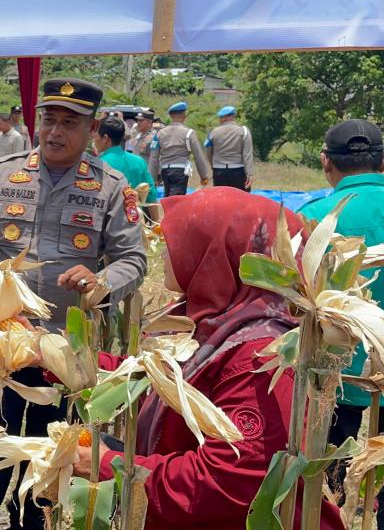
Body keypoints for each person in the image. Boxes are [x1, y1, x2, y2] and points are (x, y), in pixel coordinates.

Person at [66, 188, 343, 530]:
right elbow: (145, 378)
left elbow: (227, 479)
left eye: (180, 240)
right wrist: (53, 355)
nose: (165, 251)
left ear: (216, 255)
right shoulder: (207, 320)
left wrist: (111, 464)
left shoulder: (262, 355)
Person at [0, 78, 147, 528]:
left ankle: (34, 521)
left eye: (70, 123)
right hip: (2, 342)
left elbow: (133, 260)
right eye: (49, 120)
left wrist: (99, 280)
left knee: (51, 451)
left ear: (92, 128)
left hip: (66, 350)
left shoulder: (109, 187)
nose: (56, 132)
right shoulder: (3, 173)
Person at [299, 119, 384, 525]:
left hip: (333, 376)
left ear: (325, 163)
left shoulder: (313, 217)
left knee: (327, 484)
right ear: (382, 163)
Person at [148, 102, 212, 197]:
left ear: (170, 116)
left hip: (165, 170)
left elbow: (153, 158)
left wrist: (152, 179)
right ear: (184, 115)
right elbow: (198, 156)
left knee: (167, 198)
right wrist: (204, 176)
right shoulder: (189, 133)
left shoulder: (160, 134)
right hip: (180, 171)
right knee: (177, 201)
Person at [95, 116, 158, 204]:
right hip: (137, 215)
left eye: (95, 135)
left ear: (105, 138)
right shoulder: (140, 161)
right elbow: (151, 195)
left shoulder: (98, 164)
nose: (94, 139)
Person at [204, 105, 254, 191]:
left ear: (224, 118)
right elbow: (247, 155)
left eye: (220, 118)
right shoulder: (244, 131)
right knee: (240, 199)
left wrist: (213, 165)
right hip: (238, 170)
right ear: (233, 117)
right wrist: (249, 174)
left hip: (219, 171)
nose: (219, 120)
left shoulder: (213, 132)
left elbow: (208, 151)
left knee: (221, 200)